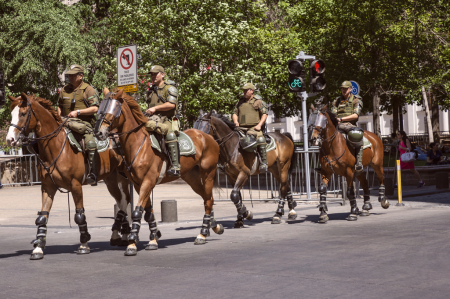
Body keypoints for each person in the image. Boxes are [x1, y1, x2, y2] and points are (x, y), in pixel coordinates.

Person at [58, 64, 99, 185]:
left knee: (90, 144)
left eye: (73, 75)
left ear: (80, 76)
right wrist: (59, 118)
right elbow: (59, 106)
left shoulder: (88, 89)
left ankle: (93, 173)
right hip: (65, 122)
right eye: (69, 75)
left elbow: (95, 108)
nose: (70, 77)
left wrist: (78, 112)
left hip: (84, 123)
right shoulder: (64, 89)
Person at [144, 65, 180, 177]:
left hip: (167, 119)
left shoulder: (170, 88)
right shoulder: (151, 90)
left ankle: (175, 166)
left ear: (163, 74)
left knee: (169, 135)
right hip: (152, 119)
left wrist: (155, 108)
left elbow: (171, 104)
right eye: (152, 74)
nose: (153, 76)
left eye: (156, 74)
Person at [232, 83, 268, 171]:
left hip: (254, 128)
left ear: (252, 91)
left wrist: (259, 125)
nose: (244, 92)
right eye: (243, 90)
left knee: (260, 139)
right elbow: (235, 113)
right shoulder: (240, 102)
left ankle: (264, 163)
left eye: (246, 90)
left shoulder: (258, 101)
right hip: (240, 128)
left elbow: (264, 114)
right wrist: (236, 122)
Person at [330, 81, 364, 173]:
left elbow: (355, 115)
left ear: (350, 89)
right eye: (342, 88)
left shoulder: (356, 100)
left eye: (346, 88)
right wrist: (336, 119)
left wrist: (341, 119)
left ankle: (359, 163)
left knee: (356, 135)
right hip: (337, 125)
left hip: (350, 125)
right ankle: (324, 163)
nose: (344, 90)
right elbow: (333, 113)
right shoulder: (337, 101)